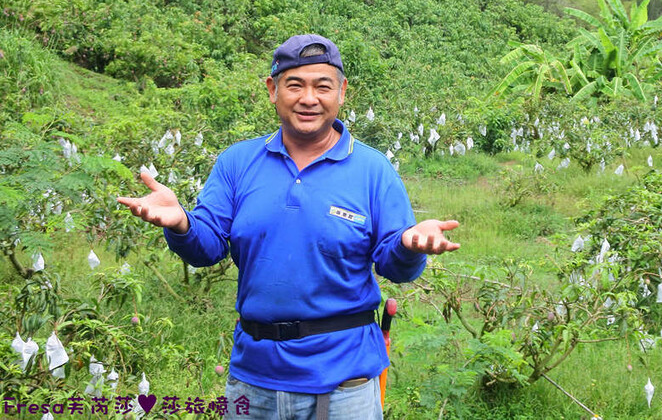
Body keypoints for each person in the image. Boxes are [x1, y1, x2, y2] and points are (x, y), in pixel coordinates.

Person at [117, 34, 460, 420]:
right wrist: (181, 224)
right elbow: (207, 248)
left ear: (342, 92)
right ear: (273, 90)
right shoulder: (237, 162)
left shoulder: (373, 170)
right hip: (253, 380)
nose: (308, 98)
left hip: (345, 385)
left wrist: (410, 247)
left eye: (322, 86)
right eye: (295, 85)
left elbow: (395, 266)